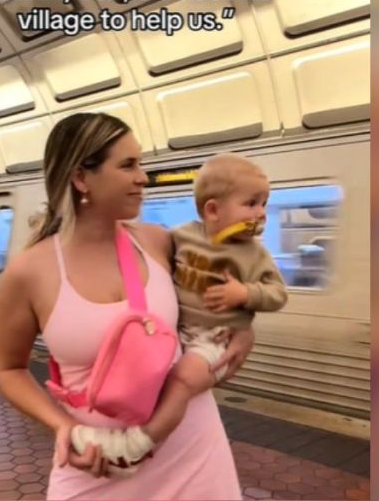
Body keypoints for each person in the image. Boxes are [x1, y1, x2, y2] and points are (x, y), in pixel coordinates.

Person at [0, 112, 253, 500]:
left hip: (192, 452)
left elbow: (220, 303)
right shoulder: (30, 272)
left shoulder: (158, 243)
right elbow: (8, 368)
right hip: (100, 462)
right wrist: (63, 428)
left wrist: (243, 327)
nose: (142, 177)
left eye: (140, 163)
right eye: (128, 165)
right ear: (82, 178)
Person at [70, 153, 287, 465]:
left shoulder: (255, 255)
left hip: (215, 337)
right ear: (212, 209)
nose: (262, 213)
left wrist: (246, 293)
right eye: (252, 204)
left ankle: (137, 445)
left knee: (183, 380)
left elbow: (278, 294)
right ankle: (116, 426)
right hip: (176, 330)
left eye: (264, 203)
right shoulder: (181, 237)